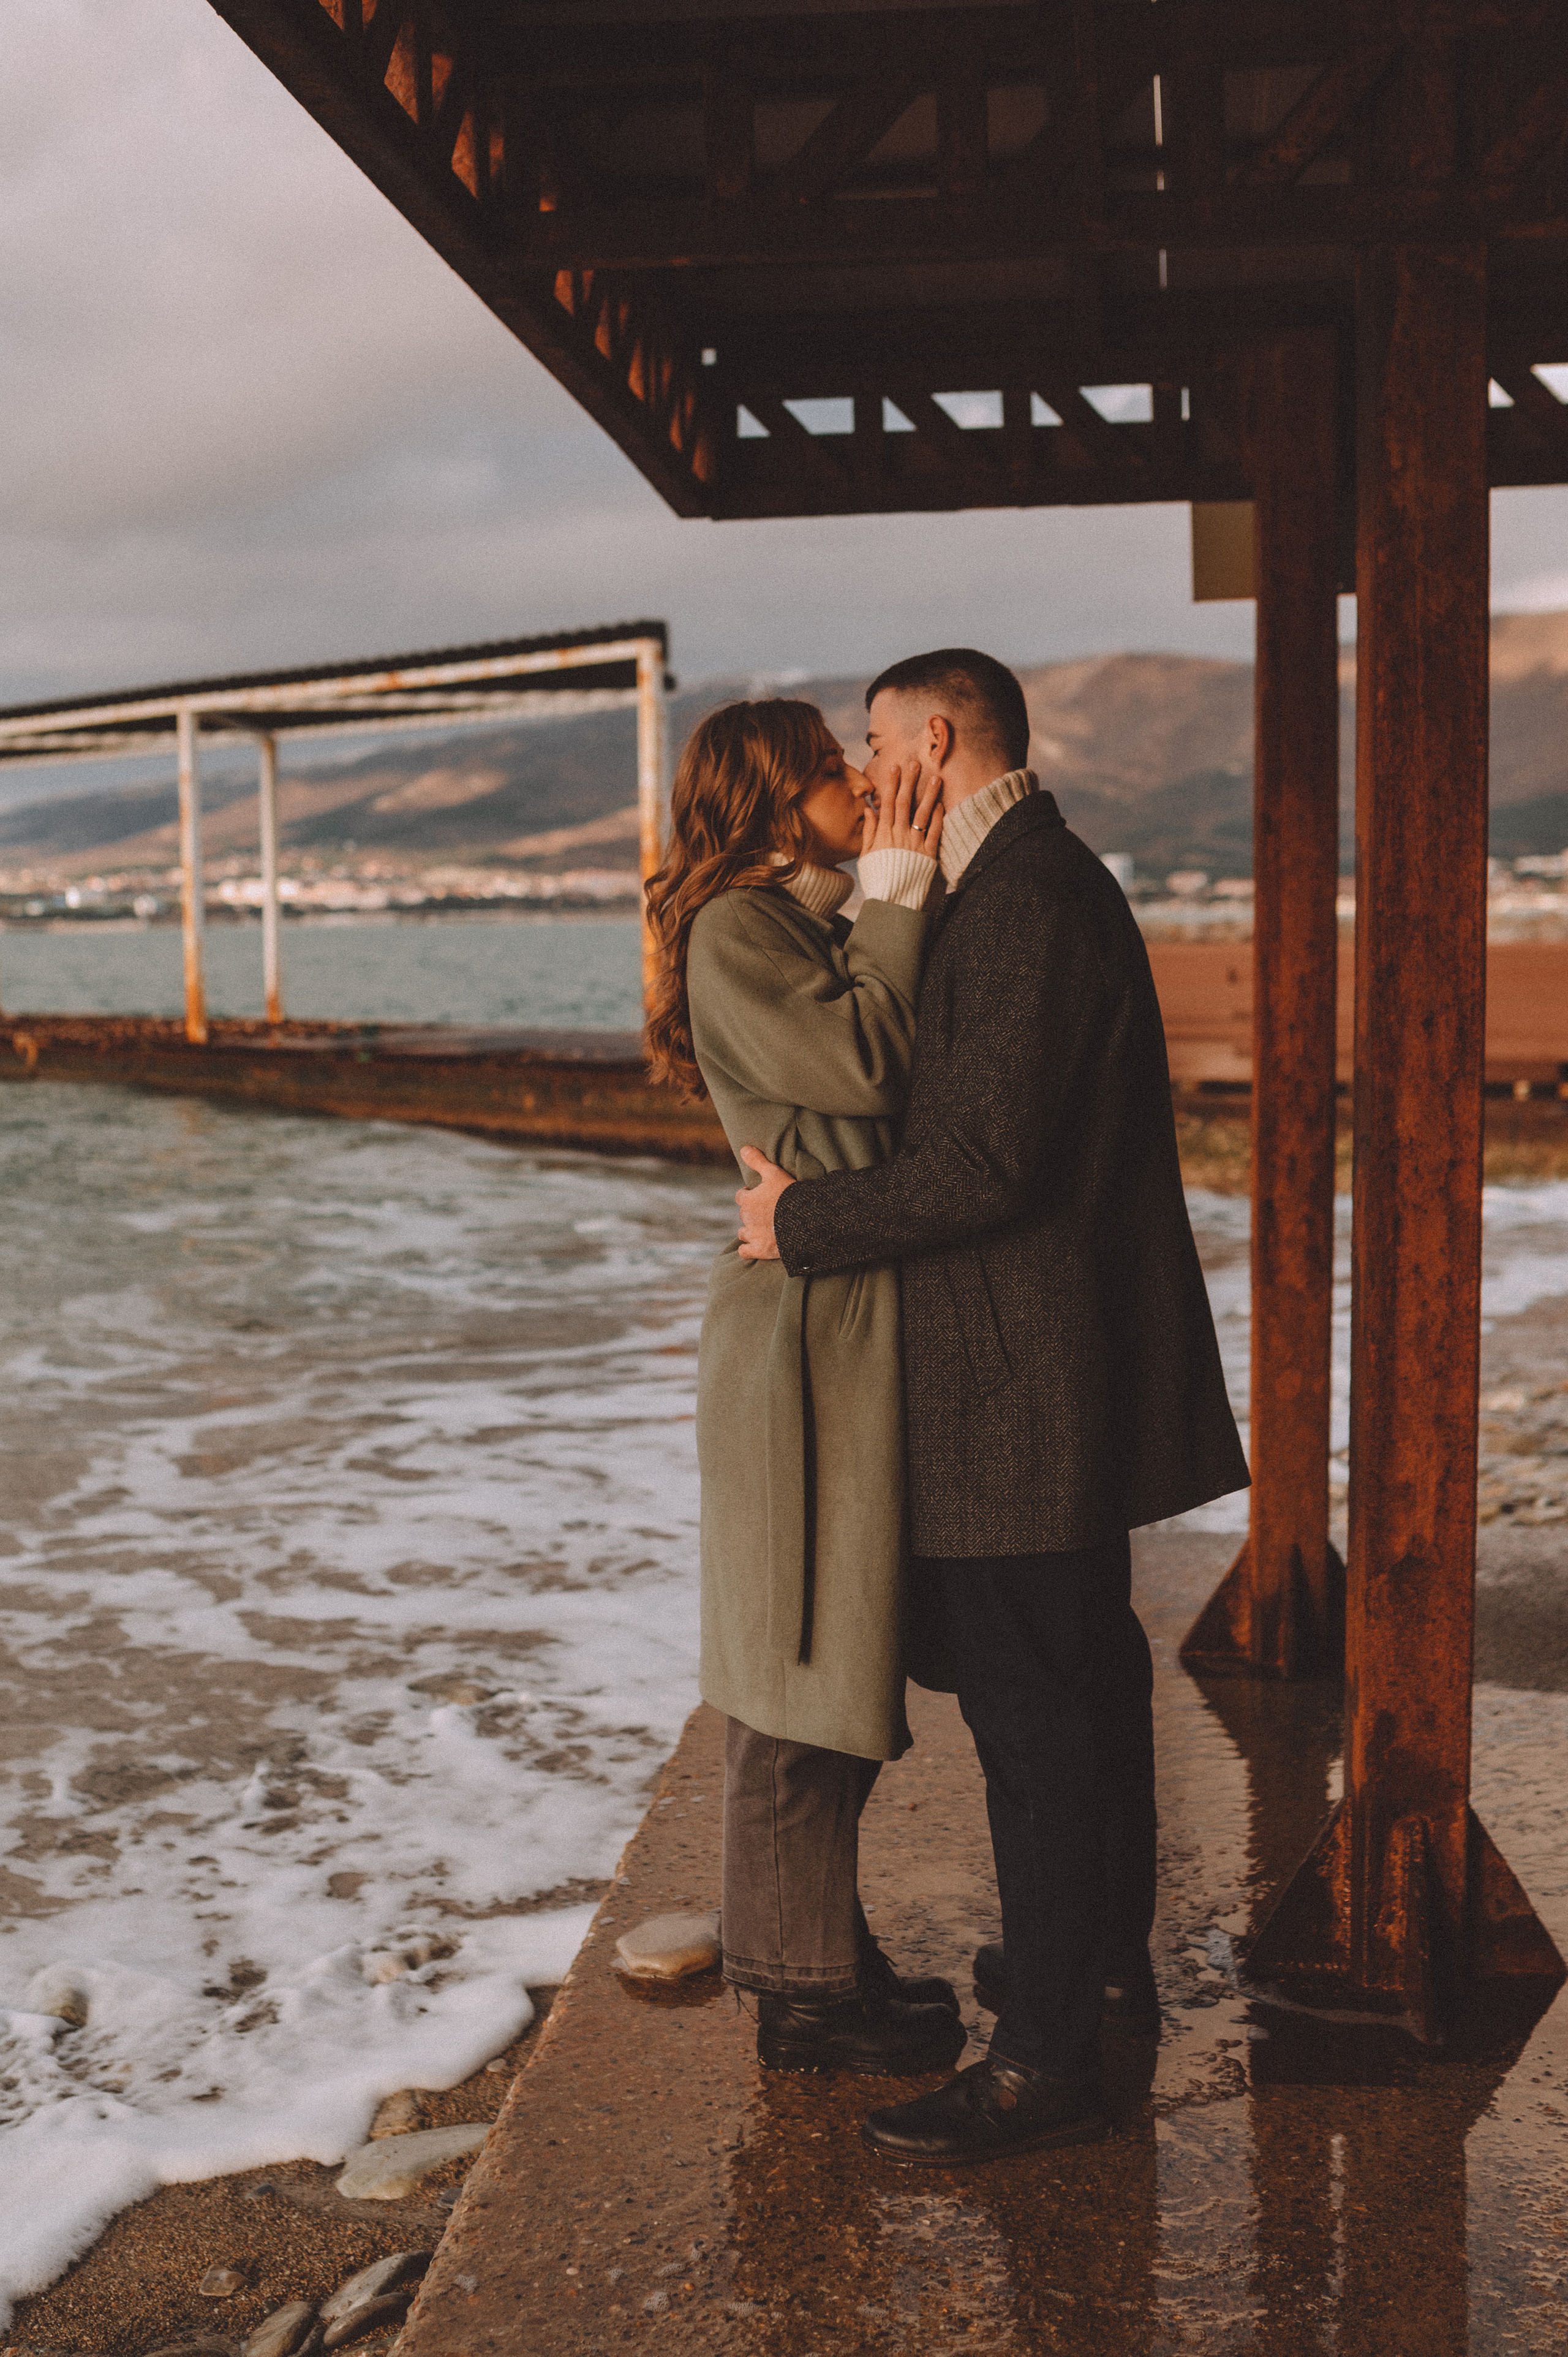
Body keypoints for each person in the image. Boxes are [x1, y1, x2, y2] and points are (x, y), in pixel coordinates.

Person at [735, 649, 1249, 2162]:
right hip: (1040, 1369)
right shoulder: (1030, 880)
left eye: (878, 747)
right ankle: (1081, 1968)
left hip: (1011, 1384)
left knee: (1036, 1714)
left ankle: (1040, 2060)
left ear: (935, 741)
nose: (863, 769)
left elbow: (980, 1168)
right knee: (1082, 1684)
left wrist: (797, 1226)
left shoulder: (1022, 900)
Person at [644, 697, 968, 2079]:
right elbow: (865, 1063)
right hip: (798, 1336)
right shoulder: (735, 927)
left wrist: (883, 895)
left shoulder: (789, 918)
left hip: (831, 1317)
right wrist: (897, 890)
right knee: (794, 1663)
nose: (861, 780)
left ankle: (818, 1961)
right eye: (834, 766)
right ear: (780, 795)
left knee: (824, 1652)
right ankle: (802, 1992)